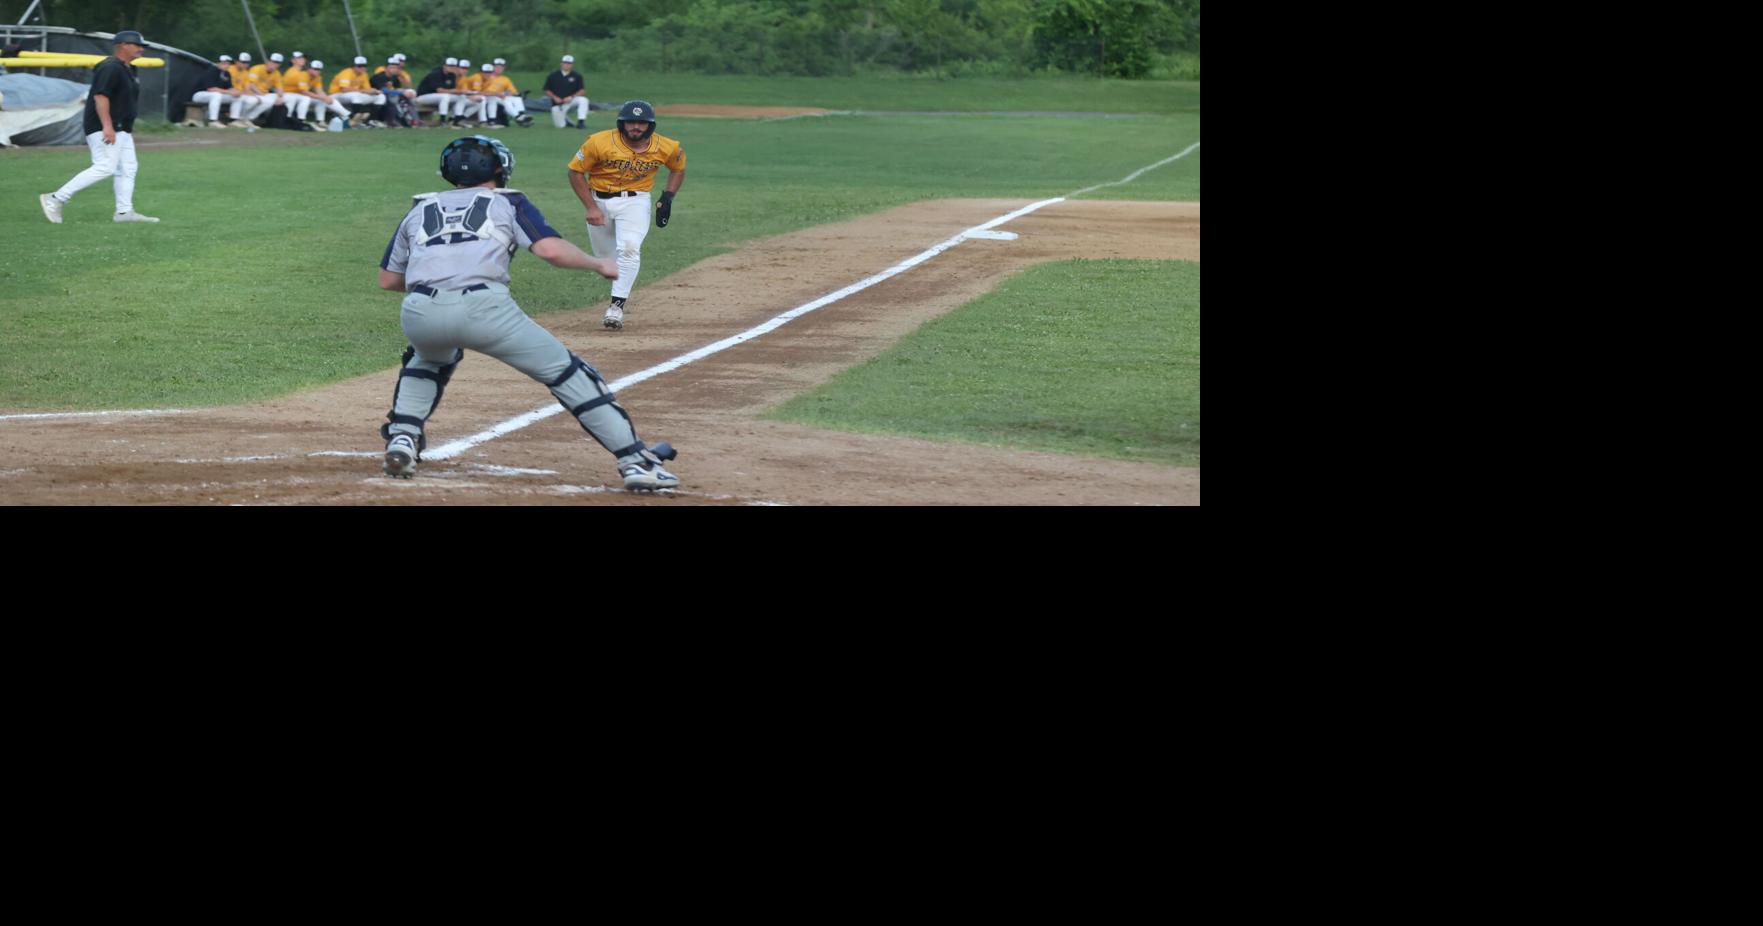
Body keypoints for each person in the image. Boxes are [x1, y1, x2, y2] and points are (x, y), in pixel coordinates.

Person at [376, 135, 681, 491]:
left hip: (420, 310)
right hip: (484, 307)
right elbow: (550, 250)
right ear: (498, 169)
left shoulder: (420, 207)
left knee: (427, 361)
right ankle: (637, 462)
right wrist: (598, 263)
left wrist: (439, 286)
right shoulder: (508, 201)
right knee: (570, 374)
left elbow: (389, 279)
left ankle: (403, 438)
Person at [566, 101, 685, 329]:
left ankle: (616, 308)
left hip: (635, 201)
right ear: (622, 123)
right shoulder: (598, 142)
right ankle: (617, 286)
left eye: (642, 123)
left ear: (650, 126)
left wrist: (668, 196)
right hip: (599, 199)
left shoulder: (667, 147)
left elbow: (678, 169)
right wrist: (591, 207)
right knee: (607, 261)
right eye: (630, 122)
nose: (636, 127)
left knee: (629, 249)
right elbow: (575, 172)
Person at [39, 30, 159, 224]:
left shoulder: (129, 68)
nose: (141, 49)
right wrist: (107, 126)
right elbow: (100, 96)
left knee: (128, 168)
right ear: (123, 45)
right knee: (105, 166)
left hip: (122, 128)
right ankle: (55, 198)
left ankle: (124, 213)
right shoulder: (109, 67)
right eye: (137, 45)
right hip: (105, 126)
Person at [189, 53, 245, 126]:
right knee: (216, 95)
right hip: (199, 95)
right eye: (224, 63)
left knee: (237, 97)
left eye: (228, 64)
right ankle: (213, 121)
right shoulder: (211, 71)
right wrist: (229, 92)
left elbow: (229, 87)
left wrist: (236, 92)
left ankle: (233, 120)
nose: (227, 65)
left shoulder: (226, 73)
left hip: (215, 95)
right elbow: (211, 89)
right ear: (218, 63)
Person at [330, 56, 386, 127]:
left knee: (380, 96)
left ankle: (371, 120)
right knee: (356, 95)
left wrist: (374, 91)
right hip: (336, 95)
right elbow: (344, 89)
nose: (362, 68)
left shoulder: (364, 74)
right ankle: (354, 119)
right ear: (353, 66)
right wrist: (364, 91)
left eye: (364, 66)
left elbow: (367, 89)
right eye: (359, 66)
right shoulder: (347, 73)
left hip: (354, 95)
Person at [481, 59, 532, 127]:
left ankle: (522, 115)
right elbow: (482, 91)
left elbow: (512, 91)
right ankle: (518, 118)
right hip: (489, 97)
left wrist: (506, 93)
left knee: (517, 98)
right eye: (497, 67)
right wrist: (499, 94)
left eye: (501, 67)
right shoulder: (487, 77)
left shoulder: (505, 79)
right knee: (505, 101)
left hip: (501, 96)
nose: (499, 69)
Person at [544, 54, 588, 129]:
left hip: (571, 100)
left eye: (569, 63)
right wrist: (555, 97)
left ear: (572, 65)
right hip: (558, 103)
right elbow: (546, 90)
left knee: (583, 100)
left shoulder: (577, 76)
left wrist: (571, 97)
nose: (567, 65)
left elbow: (582, 91)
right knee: (560, 126)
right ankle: (566, 120)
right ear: (561, 63)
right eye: (565, 63)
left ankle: (581, 122)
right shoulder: (553, 75)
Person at [370, 57, 418, 126]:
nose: (394, 70)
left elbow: (397, 88)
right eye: (392, 67)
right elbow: (383, 90)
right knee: (394, 98)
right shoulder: (379, 77)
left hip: (390, 96)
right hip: (377, 97)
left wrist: (403, 91)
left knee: (409, 95)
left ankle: (414, 119)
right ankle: (392, 120)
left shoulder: (394, 77)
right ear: (386, 68)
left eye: (396, 68)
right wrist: (401, 92)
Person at [415, 57, 461, 124]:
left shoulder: (452, 75)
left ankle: (454, 120)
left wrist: (462, 92)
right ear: (444, 66)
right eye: (450, 66)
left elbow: (452, 90)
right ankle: (442, 121)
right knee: (445, 96)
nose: (452, 68)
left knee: (461, 97)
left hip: (437, 97)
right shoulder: (436, 73)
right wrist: (456, 91)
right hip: (423, 97)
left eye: (454, 66)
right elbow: (440, 91)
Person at [244, 51, 285, 122]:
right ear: (268, 61)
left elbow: (279, 87)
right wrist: (260, 94)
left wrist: (280, 96)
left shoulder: (277, 73)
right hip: (250, 92)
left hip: (263, 94)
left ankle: (249, 119)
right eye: (273, 62)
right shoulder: (256, 68)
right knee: (253, 101)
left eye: (277, 63)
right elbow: (251, 85)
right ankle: (240, 118)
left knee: (275, 100)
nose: (274, 64)